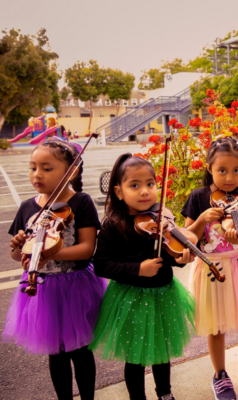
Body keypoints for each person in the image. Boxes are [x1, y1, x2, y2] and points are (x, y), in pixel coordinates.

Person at [4, 138, 105, 400]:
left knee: (80, 351)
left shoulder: (81, 202)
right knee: (56, 352)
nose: (37, 174)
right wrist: (18, 247)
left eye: (47, 168)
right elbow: (17, 255)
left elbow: (86, 249)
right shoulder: (28, 207)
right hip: (42, 289)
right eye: (33, 167)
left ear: (71, 172)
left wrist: (50, 254)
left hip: (75, 287)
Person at [89, 154, 197, 400]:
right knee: (134, 356)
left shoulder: (160, 219)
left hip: (163, 293)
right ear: (118, 191)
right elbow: (101, 265)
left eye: (150, 184)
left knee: (162, 352)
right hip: (130, 298)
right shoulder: (112, 224)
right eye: (134, 185)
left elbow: (168, 255)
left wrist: (179, 259)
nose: (144, 191)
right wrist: (138, 269)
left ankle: (165, 394)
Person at [182, 137, 238, 400]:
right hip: (212, 269)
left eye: (236, 170)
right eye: (222, 170)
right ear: (209, 168)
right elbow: (187, 237)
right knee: (215, 327)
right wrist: (201, 219)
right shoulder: (198, 197)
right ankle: (220, 374)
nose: (230, 178)